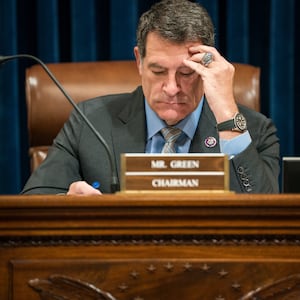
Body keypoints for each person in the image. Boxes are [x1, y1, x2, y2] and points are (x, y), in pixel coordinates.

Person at [21, 0, 280, 195]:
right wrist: (67, 203)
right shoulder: (89, 121)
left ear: (208, 69)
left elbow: (267, 218)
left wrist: (226, 114)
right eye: (158, 71)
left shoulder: (254, 131)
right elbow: (33, 201)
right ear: (139, 62)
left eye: (186, 73)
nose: (171, 88)